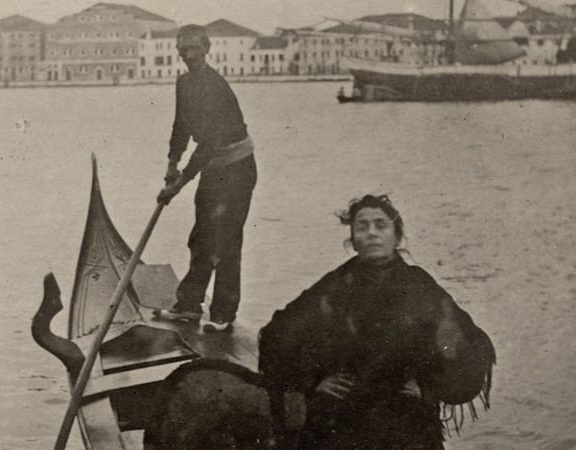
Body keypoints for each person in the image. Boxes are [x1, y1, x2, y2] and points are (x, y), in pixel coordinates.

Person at [258, 194, 496, 449]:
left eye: (381, 225)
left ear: (397, 237)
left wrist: (429, 388)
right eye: (362, 226)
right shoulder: (335, 285)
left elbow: (472, 345)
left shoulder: (420, 287)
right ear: (353, 240)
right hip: (341, 418)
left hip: (405, 419)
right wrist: (314, 382)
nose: (371, 233)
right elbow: (277, 334)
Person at [156, 24, 257, 332]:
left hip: (237, 167)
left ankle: (223, 315)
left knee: (226, 241)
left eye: (194, 49)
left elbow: (209, 143)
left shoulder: (215, 86)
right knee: (202, 236)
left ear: (207, 49)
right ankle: (188, 305)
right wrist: (172, 163)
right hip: (214, 167)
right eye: (183, 49)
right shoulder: (183, 82)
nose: (189, 55)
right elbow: (181, 126)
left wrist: (178, 186)